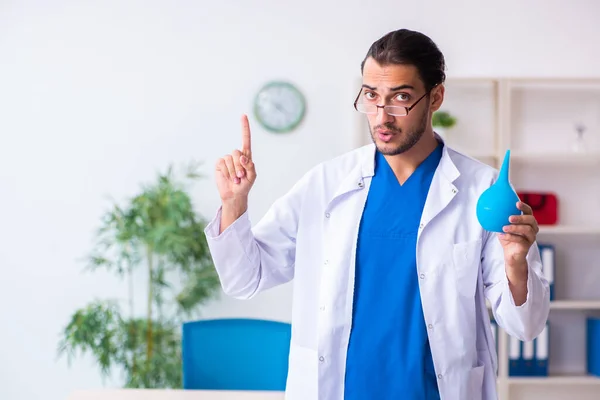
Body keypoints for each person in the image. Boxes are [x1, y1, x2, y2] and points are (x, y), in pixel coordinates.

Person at [204, 28, 550, 400]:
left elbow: (526, 326)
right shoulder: (325, 184)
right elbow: (244, 279)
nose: (382, 117)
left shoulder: (481, 189)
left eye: (400, 98)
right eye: (371, 96)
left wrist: (516, 264)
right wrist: (234, 203)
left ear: (435, 97)